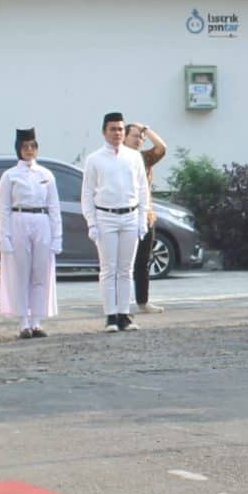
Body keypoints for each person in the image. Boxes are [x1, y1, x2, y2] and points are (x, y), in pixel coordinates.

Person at [81, 110, 152, 332]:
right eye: (113, 129)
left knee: (126, 269)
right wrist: (91, 222)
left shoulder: (134, 157)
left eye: (120, 129)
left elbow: (142, 189)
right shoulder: (94, 159)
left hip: (130, 216)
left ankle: (124, 314)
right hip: (106, 217)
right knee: (108, 269)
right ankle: (110, 315)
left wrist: (142, 219)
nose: (117, 133)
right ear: (104, 131)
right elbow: (87, 193)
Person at [0, 129, 62, 337]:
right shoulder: (10, 176)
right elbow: (3, 208)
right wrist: (4, 236)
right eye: (25, 147)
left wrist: (56, 236)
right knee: (21, 273)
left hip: (41, 220)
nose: (29, 150)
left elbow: (54, 207)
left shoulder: (46, 175)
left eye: (32, 146)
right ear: (18, 149)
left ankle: (36, 320)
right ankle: (23, 321)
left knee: (40, 272)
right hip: (19, 218)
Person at [122, 121, 168, 311]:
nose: (139, 139)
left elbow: (161, 148)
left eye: (141, 136)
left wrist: (146, 129)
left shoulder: (144, 158)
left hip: (145, 215)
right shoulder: (117, 158)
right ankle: (118, 304)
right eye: (135, 135)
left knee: (143, 261)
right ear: (124, 137)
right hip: (123, 215)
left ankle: (143, 301)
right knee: (122, 264)